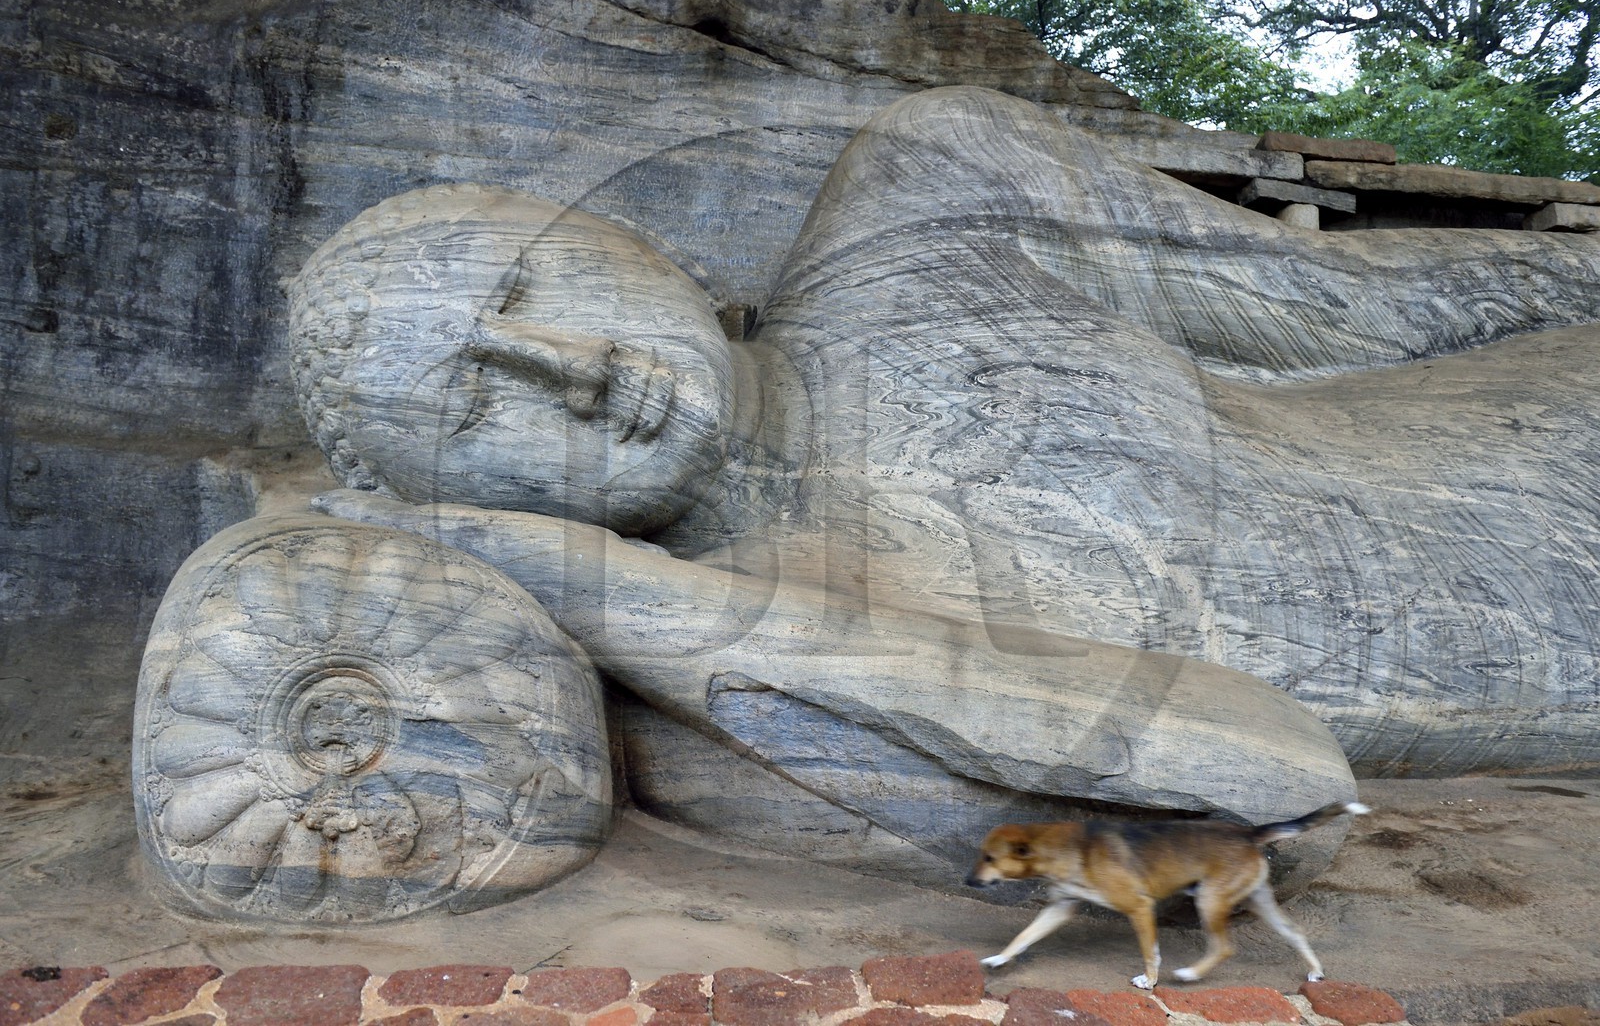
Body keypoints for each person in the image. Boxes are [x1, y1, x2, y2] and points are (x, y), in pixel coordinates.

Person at [287, 86, 1598, 879]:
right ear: (474, 507)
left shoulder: (926, 193)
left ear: (616, 232)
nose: (563, 370)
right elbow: (1276, 797)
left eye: (527, 286)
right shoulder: (767, 680)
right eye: (472, 403)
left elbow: (1367, 307)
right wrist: (575, 581)